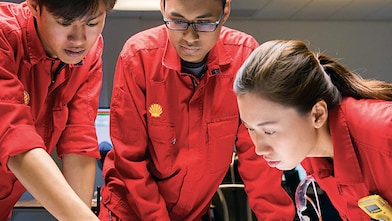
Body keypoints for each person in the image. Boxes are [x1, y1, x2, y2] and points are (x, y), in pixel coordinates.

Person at [99, 0, 296, 220]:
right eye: (178, 21)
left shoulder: (244, 58)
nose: (190, 37)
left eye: (204, 23)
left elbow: (259, 161)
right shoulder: (138, 58)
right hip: (131, 211)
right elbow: (130, 161)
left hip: (193, 211)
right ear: (162, 8)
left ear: (226, 10)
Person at [233, 39, 392, 220]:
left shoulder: (384, 133)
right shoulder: (309, 151)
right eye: (250, 129)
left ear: (317, 114)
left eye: (269, 131)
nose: (259, 149)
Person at [0, 0, 116, 220]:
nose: (79, 40)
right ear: (35, 6)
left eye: (92, 23)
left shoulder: (87, 55)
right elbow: (13, 139)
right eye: (64, 23)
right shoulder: (4, 35)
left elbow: (79, 140)